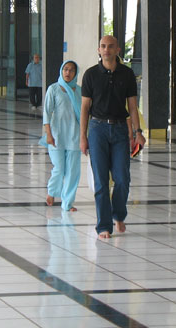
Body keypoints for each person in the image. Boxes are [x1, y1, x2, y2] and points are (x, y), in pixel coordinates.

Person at [80, 35, 145, 239]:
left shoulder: (127, 74)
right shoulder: (90, 75)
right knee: (100, 180)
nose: (106, 50)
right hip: (97, 129)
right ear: (98, 50)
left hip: (119, 130)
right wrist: (83, 136)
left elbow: (133, 106)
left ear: (118, 50)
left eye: (110, 47)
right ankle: (103, 226)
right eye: (102, 46)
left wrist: (138, 132)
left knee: (122, 177)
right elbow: (85, 108)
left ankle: (119, 214)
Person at [39, 60, 82, 212]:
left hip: (74, 136)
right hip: (56, 136)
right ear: (61, 71)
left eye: (71, 70)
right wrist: (48, 134)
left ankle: (67, 203)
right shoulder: (54, 89)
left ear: (75, 73)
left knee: (73, 172)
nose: (68, 73)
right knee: (59, 168)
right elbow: (46, 112)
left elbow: (84, 115)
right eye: (65, 69)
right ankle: (52, 191)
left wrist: (84, 136)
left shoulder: (79, 91)